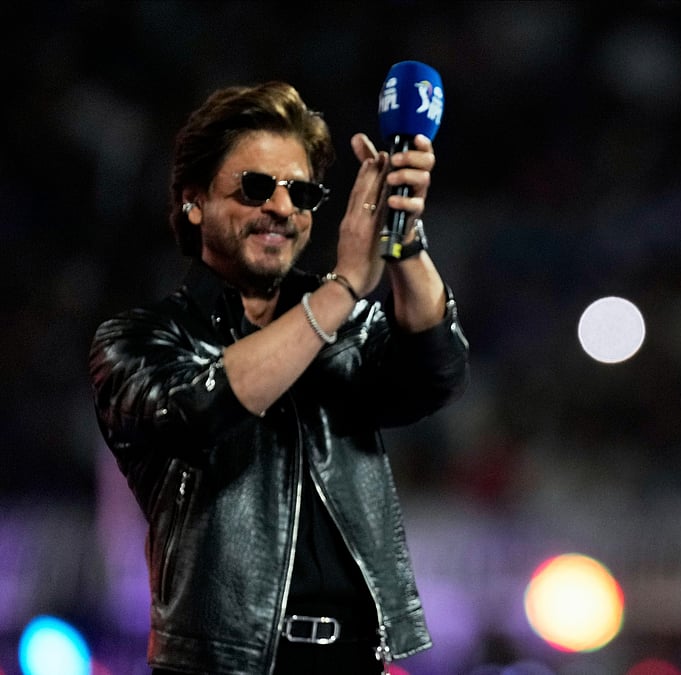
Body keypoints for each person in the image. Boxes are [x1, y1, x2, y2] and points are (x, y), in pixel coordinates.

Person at [89, 82, 468, 674]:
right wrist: (341, 289)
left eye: (303, 192)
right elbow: (197, 415)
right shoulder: (138, 341)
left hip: (355, 660)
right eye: (256, 187)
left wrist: (404, 239)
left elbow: (436, 372)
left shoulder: (349, 326)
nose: (283, 209)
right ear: (194, 201)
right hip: (220, 666)